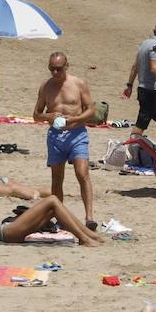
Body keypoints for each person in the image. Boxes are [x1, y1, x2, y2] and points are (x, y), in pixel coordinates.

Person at [32, 51, 97, 229]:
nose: (55, 73)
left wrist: (75, 120)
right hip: (55, 136)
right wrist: (49, 116)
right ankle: (60, 217)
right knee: (57, 178)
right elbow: (36, 115)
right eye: (51, 69)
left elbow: (91, 110)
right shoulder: (45, 87)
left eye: (58, 69)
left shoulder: (78, 84)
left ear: (66, 67)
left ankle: (89, 217)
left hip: (77, 134)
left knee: (82, 173)